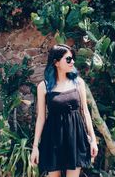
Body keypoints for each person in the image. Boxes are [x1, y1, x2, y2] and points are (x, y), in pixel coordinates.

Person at [31, 44, 98, 177]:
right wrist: (35, 147)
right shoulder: (43, 87)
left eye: (72, 58)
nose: (72, 62)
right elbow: (41, 118)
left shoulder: (78, 83)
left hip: (75, 137)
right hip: (53, 138)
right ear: (56, 62)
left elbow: (85, 112)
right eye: (68, 59)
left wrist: (93, 140)